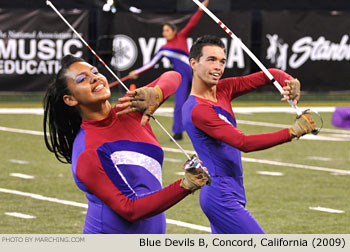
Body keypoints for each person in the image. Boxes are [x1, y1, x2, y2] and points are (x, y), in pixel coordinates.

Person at [43, 54, 208, 234]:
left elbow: (174, 76)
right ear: (70, 99)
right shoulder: (87, 150)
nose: (94, 78)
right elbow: (130, 208)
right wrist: (184, 185)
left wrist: (156, 92)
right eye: (82, 79)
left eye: (95, 72)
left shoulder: (132, 108)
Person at [182, 35, 317, 234]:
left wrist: (289, 80)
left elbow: (268, 74)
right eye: (211, 60)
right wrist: (292, 131)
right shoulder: (197, 109)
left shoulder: (224, 90)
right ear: (193, 63)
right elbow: (243, 142)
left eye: (222, 61)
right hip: (220, 194)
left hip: (234, 189)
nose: (218, 66)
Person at [128, 0, 209, 140]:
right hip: (182, 77)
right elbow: (151, 63)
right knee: (180, 104)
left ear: (174, 31)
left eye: (167, 30)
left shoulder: (182, 36)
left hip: (196, 74)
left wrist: (201, 9)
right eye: (163, 31)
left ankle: (209, 131)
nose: (164, 33)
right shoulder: (164, 49)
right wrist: (137, 72)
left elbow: (192, 23)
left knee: (205, 103)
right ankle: (178, 132)